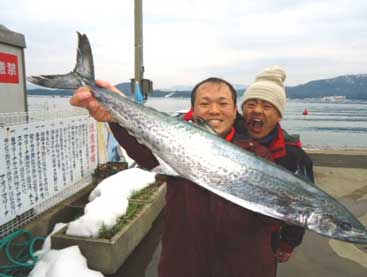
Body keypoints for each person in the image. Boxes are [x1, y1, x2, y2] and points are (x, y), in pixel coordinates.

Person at [70, 77, 296, 277]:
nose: (214, 110)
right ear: (194, 110)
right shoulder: (176, 142)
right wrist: (115, 118)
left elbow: (274, 218)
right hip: (185, 264)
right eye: (205, 103)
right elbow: (143, 151)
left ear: (235, 109)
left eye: (223, 103)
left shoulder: (259, 154)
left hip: (244, 267)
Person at [235, 66, 315, 264]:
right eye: (251, 104)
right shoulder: (224, 139)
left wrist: (289, 243)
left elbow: (304, 205)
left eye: (267, 106)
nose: (257, 110)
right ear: (242, 109)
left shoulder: (294, 156)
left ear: (279, 115)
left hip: (266, 236)